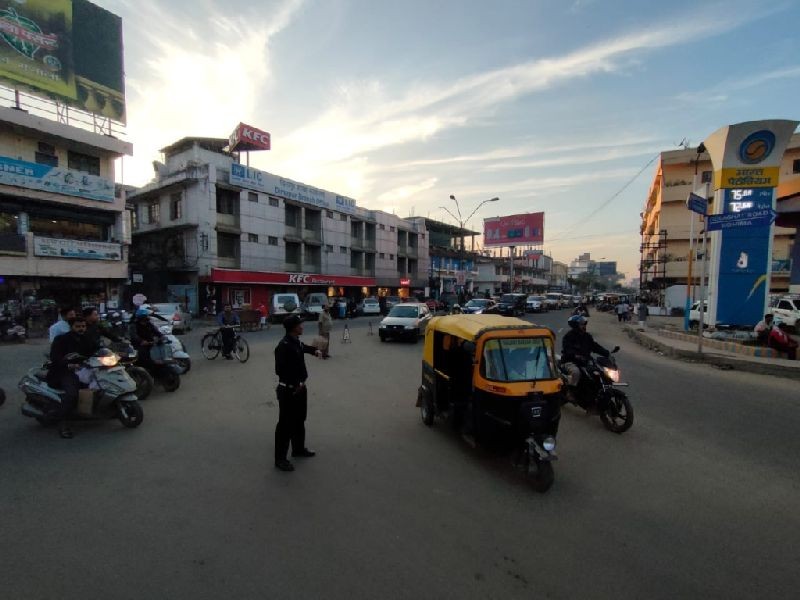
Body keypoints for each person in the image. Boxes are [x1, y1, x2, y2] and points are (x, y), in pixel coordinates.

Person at [274, 315, 322, 472]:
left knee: (300, 420)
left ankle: (298, 449)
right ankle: (280, 459)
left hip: (300, 389)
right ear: (293, 328)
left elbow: (304, 348)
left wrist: (315, 351)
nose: (302, 326)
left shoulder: (295, 342)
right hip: (288, 390)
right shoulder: (284, 345)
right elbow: (279, 370)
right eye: (300, 324)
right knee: (285, 425)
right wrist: (296, 382)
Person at [47, 316, 92, 438]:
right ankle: (63, 424)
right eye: (78, 326)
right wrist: (69, 365)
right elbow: (54, 358)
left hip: (85, 369)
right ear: (71, 327)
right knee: (72, 394)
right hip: (64, 371)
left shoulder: (86, 339)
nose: (81, 329)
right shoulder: (61, 339)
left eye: (83, 326)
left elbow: (96, 350)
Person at [561, 314, 611, 390]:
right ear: (575, 326)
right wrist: (575, 355)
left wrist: (607, 353)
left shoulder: (587, 336)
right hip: (570, 362)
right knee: (576, 372)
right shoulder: (568, 337)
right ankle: (570, 392)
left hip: (585, 361)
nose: (584, 326)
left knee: (599, 372)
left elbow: (595, 346)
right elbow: (567, 350)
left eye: (584, 324)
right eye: (581, 324)